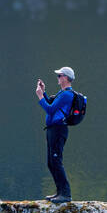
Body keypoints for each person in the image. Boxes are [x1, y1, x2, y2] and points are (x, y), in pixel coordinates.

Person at [35, 66, 78, 203]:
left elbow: (50, 109)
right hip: (53, 129)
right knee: (51, 162)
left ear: (65, 78)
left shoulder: (67, 95)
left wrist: (40, 96)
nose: (58, 78)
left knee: (56, 161)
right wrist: (44, 92)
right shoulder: (62, 93)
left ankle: (66, 194)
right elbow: (51, 105)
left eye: (59, 76)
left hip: (59, 130)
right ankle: (59, 192)